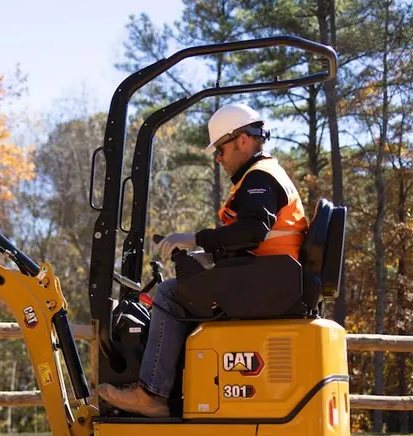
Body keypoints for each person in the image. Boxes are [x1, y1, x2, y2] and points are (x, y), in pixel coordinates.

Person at [97, 102, 308, 417]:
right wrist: (208, 256)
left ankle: (152, 393)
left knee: (169, 294)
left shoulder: (259, 178)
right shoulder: (264, 176)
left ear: (242, 140)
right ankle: (184, 391)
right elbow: (255, 237)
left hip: (267, 282)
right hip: (269, 278)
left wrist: (197, 239)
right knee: (187, 288)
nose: (219, 159)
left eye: (220, 150)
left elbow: (253, 230)